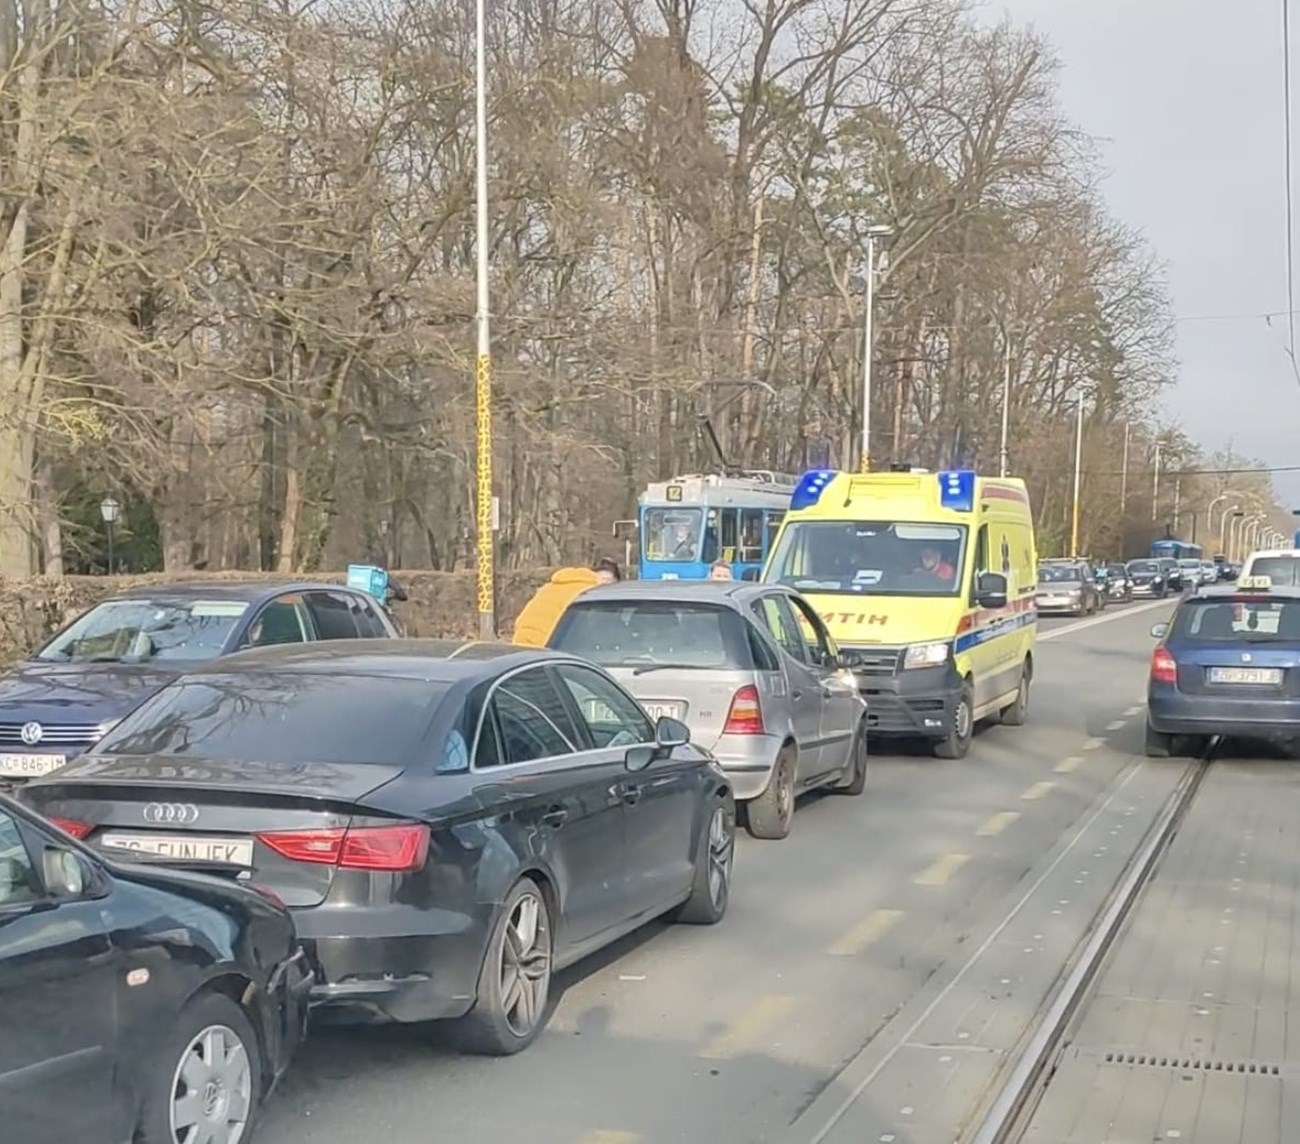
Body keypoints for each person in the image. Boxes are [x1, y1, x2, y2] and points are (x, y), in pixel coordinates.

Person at [512, 557, 622, 647]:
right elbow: (591, 633)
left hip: (520, 642)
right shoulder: (588, 593)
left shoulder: (550, 587)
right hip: (546, 646)